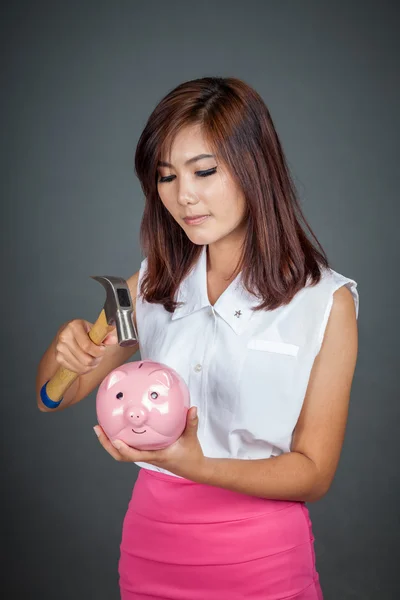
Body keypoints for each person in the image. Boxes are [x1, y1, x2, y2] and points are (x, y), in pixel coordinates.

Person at [36, 76, 359, 600]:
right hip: (151, 549)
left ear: (256, 168)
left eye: (204, 171)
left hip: (262, 561)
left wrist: (200, 466)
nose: (183, 196)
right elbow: (55, 395)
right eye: (165, 177)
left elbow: (314, 474)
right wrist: (65, 350)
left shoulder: (325, 302)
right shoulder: (150, 283)